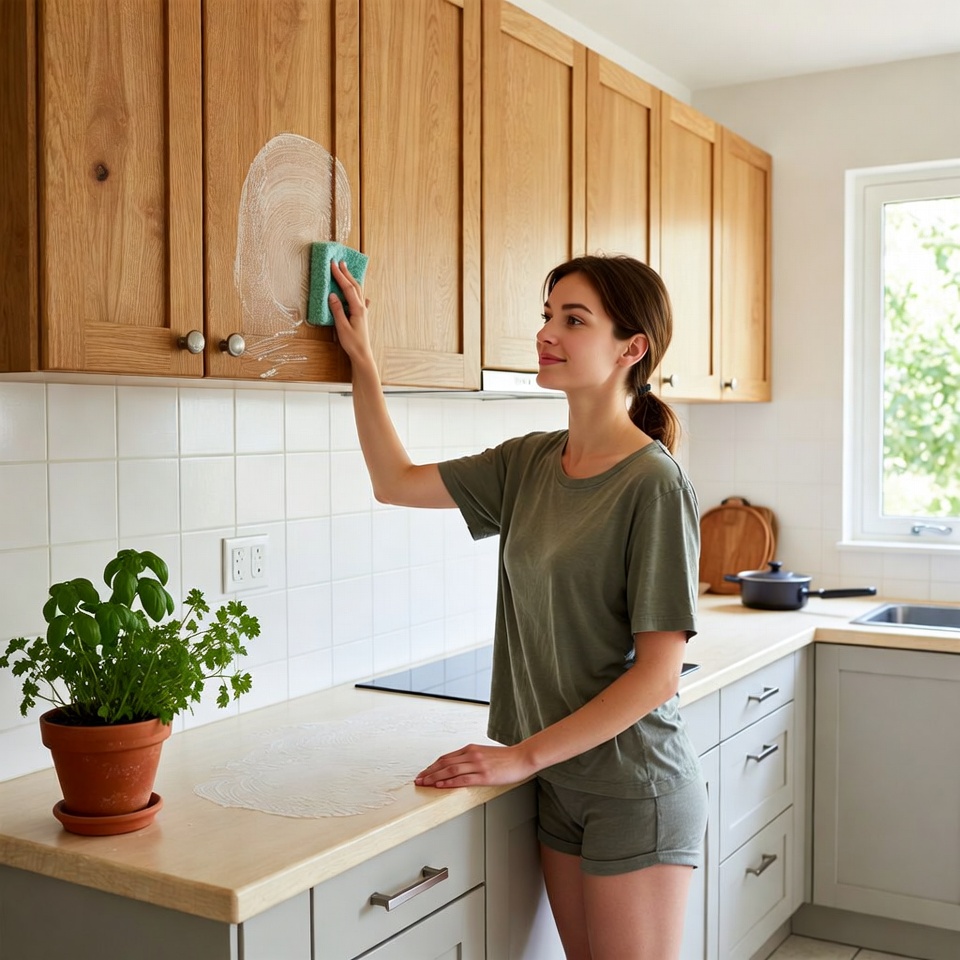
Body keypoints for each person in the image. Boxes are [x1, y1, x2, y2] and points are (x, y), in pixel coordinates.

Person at [328, 254, 707, 960]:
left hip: (633, 787)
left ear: (633, 348)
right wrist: (363, 359)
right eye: (546, 315)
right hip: (557, 780)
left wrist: (518, 758)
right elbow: (393, 481)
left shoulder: (654, 483)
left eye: (573, 319)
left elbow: (659, 675)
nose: (547, 332)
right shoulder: (529, 462)